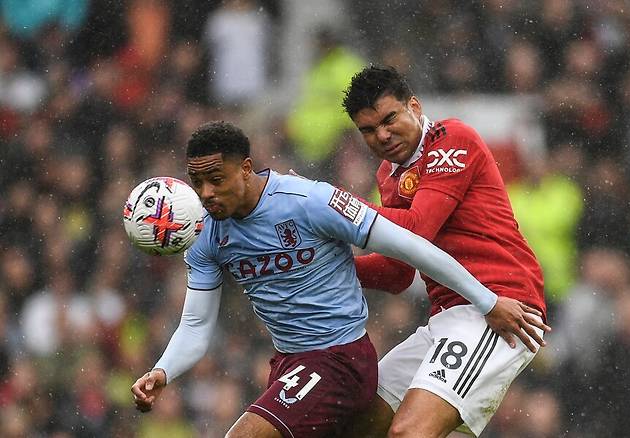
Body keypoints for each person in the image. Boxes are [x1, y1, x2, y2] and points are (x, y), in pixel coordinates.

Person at [131, 121, 546, 438]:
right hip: (289, 363)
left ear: (244, 168)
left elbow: (413, 247)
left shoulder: (310, 201)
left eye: (216, 180)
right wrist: (163, 371)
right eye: (197, 181)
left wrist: (487, 301)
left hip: (338, 359)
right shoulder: (206, 238)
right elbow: (197, 325)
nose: (206, 193)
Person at [341, 66, 550, 437]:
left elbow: (417, 229)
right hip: (448, 318)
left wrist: (335, 205)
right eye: (368, 130)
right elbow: (397, 272)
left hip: (499, 308)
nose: (383, 135)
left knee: (409, 432)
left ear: (415, 106)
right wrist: (329, 266)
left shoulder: (452, 139)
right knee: (358, 421)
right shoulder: (388, 176)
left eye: (390, 119)